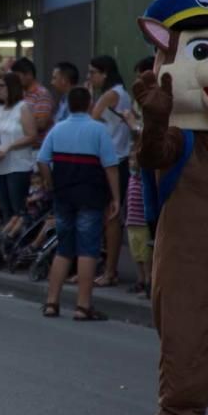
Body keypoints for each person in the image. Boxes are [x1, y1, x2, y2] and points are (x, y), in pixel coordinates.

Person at [38, 87, 119, 321]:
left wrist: (49, 182)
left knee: (64, 248)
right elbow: (110, 166)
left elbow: (43, 160)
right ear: (90, 103)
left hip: (63, 195)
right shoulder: (98, 130)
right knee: (88, 249)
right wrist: (116, 197)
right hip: (91, 195)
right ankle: (83, 306)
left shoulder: (58, 128)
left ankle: (52, 302)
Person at [88, 55, 133, 287]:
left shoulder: (110, 94)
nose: (90, 78)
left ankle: (110, 270)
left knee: (111, 217)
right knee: (110, 216)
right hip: (118, 158)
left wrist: (88, 97)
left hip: (111, 160)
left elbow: (91, 121)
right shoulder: (122, 93)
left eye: (92, 73)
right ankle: (106, 268)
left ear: (104, 73)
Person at [0, 73, 37, 222]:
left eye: (2, 86)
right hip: (0, 166)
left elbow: (31, 135)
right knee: (5, 209)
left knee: (18, 208)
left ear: (12, 87)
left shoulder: (23, 107)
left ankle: (20, 241)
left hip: (18, 165)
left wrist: (9, 147)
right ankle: (7, 240)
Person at [124, 151, 151, 297]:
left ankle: (148, 282)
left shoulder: (144, 179)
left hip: (143, 223)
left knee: (145, 255)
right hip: (132, 223)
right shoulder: (131, 179)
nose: (131, 162)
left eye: (133, 159)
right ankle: (140, 279)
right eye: (130, 159)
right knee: (136, 255)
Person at [11, 57, 54, 145]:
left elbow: (42, 123)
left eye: (17, 76)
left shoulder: (41, 94)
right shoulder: (20, 93)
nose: (15, 80)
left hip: (35, 148)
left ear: (29, 74)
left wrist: (14, 124)